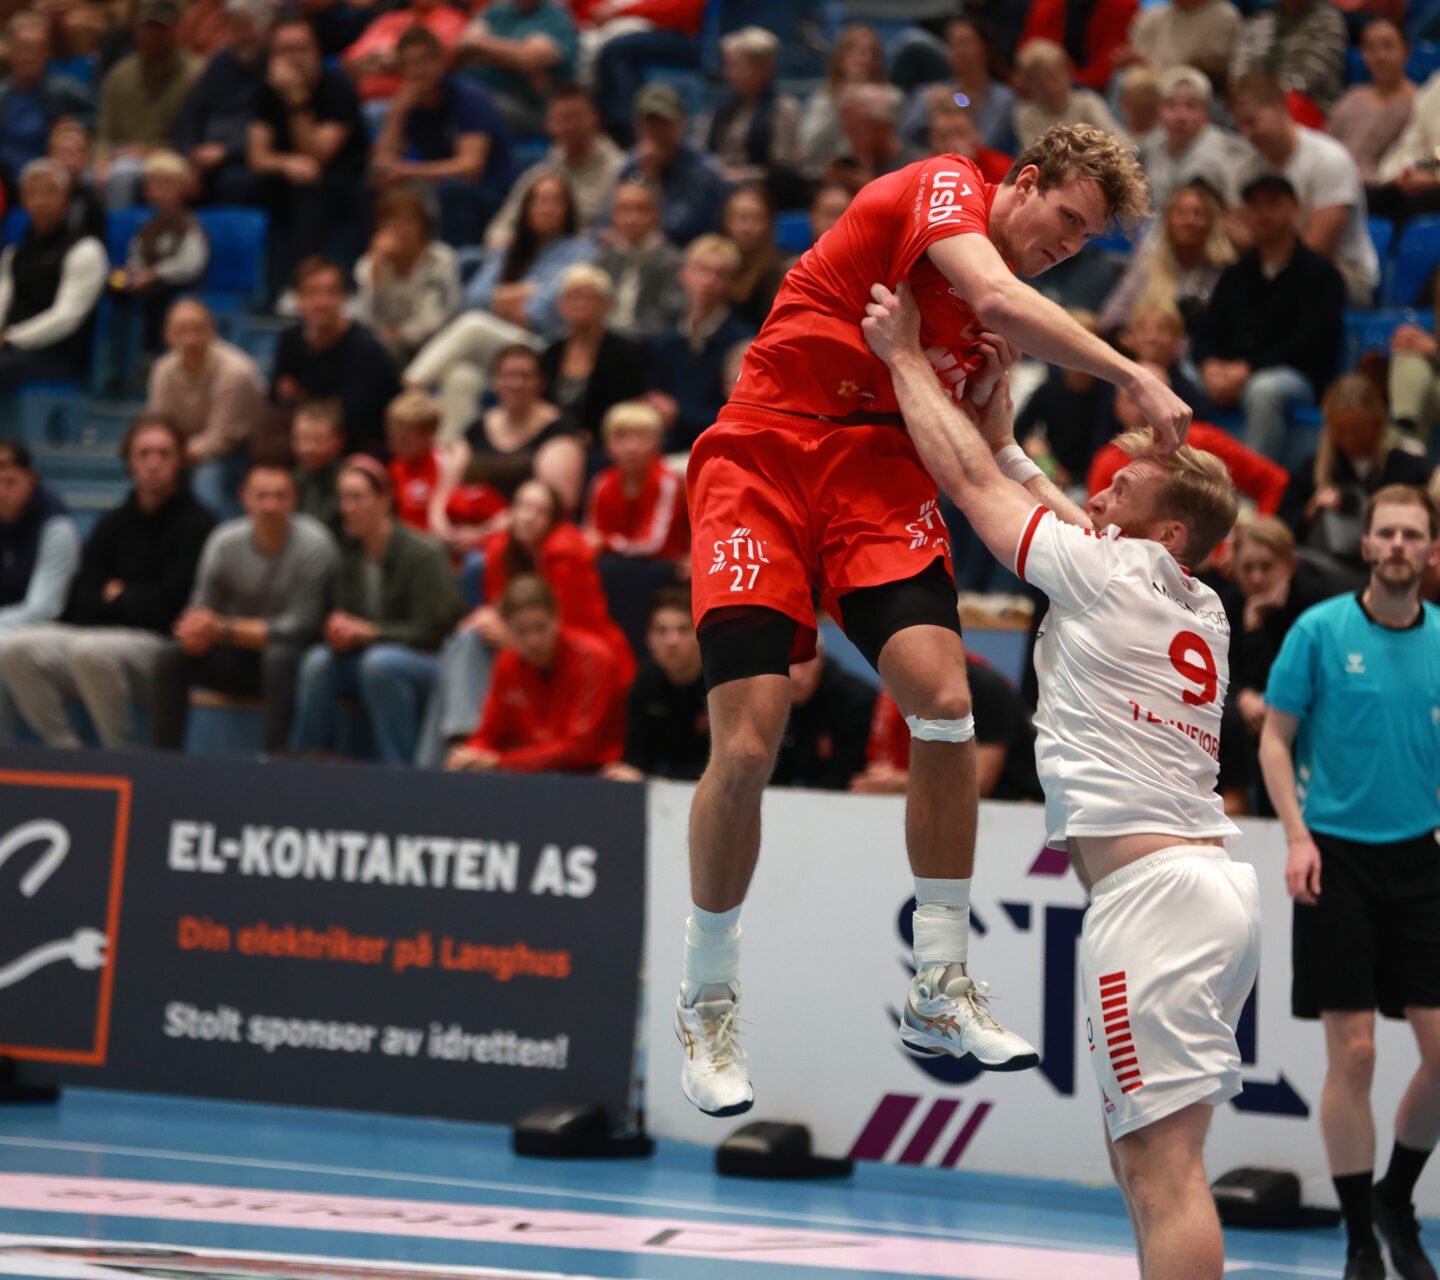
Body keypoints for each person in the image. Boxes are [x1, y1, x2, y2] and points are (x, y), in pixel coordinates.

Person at [674, 123, 1186, 1119]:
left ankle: (940, 985)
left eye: (1085, 243)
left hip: (877, 480)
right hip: (764, 456)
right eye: (1065, 221)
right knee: (746, 744)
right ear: (1023, 182)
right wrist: (1132, 374)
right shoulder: (941, 187)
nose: (1066, 248)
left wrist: (995, 423)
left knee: (949, 704)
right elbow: (996, 291)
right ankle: (709, 997)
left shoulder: (985, 335)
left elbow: (977, 449)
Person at [863, 278, 1251, 1280]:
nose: (1099, 495)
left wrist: (905, 360)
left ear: (1165, 534)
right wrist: (1004, 434)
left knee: (1162, 1170)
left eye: (1123, 490)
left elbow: (975, 492)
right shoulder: (1195, 599)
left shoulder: (1112, 574)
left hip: (1152, 899)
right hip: (1195, 887)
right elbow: (1064, 518)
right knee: (1147, 1162)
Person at [1258, 484, 1440, 1280]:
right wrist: (1297, 836)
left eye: (1412, 535)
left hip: (1422, 860)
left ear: (1431, 551)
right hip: (1336, 858)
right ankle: (1361, 1241)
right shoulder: (1319, 631)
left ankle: (1395, 1198)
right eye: (1386, 533)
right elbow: (1275, 740)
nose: (1398, 545)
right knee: (1356, 1053)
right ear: (1365, 546)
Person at [0, 416, 216, 750]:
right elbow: (82, 599)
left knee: (92, 651)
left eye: (164, 454)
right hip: (100, 635)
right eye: (144, 454)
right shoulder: (113, 522)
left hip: (159, 648)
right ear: (130, 461)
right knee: (14, 649)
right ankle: (64, 750)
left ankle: (121, 756)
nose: (153, 463)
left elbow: (172, 609)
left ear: (180, 461)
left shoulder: (198, 525)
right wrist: (128, 600)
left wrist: (117, 597)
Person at [289, 454, 464, 764]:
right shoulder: (347, 554)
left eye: (357, 498)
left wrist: (372, 633)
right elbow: (345, 615)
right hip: (368, 653)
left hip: (427, 661)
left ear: (384, 500)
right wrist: (340, 631)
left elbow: (436, 629)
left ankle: (398, 772)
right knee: (317, 662)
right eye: (342, 498)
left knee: (380, 664)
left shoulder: (422, 553)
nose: (347, 508)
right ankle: (306, 763)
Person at [152, 462, 337, 753]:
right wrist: (196, 631)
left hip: (293, 661)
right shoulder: (224, 541)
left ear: (294, 499)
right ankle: (164, 759)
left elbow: (303, 624)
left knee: (279, 655)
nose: (271, 505)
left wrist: (223, 629)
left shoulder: (315, 544)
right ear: (244, 497)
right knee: (171, 655)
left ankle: (274, 760)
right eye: (261, 496)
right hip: (237, 658)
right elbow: (200, 610)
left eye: (280, 496)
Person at [405, 172, 592, 441]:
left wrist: (502, 299)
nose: (546, 208)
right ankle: (455, 453)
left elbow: (541, 313)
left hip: (542, 347)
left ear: (568, 208)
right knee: (461, 377)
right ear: (526, 208)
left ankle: (409, 387)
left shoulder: (581, 250)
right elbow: (472, 299)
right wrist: (521, 294)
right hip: (495, 345)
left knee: (474, 325)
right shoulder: (509, 250)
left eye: (554, 201)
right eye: (539, 201)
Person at [1193, 173, 1346, 461]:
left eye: (1273, 204)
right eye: (1255, 206)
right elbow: (1206, 333)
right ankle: (1183, 473)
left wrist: (1248, 368)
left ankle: (1254, 482)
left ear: (1294, 209)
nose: (1263, 214)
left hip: (1295, 376)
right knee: (1178, 375)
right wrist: (1209, 365)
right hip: (1232, 371)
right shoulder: (1235, 275)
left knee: (1264, 390)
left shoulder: (1322, 275)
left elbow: (1311, 343)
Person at [445, 574, 629, 775]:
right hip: (531, 770)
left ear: (557, 618)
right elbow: (487, 734)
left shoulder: (593, 659)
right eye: (521, 631)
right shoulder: (507, 664)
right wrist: (472, 754)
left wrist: (500, 761)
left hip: (591, 773)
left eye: (541, 628)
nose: (533, 641)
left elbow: (579, 748)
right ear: (506, 630)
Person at [1231, 72, 1381, 307]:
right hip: (1270, 268)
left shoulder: (1329, 159)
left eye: (1253, 122)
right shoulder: (1246, 171)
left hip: (1342, 271)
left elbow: (1317, 249)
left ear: (1280, 108)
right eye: (1241, 125)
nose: (1247, 133)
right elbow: (1237, 232)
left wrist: (1253, 245)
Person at [247, 14, 367, 292]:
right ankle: (261, 290)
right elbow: (257, 157)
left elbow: (318, 154)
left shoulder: (338, 88)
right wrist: (287, 163)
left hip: (341, 178)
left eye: (301, 49)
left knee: (309, 191)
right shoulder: (266, 91)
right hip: (290, 177)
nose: (295, 58)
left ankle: (300, 287)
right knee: (235, 184)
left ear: (317, 52)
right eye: (285, 51)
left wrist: (296, 102)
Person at [370, 26, 514, 248]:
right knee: (374, 190)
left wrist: (408, 171)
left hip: (492, 193)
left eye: (424, 61)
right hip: (438, 188)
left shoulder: (469, 97)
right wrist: (397, 114)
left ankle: (457, 259)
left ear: (441, 62)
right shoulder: (409, 104)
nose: (418, 71)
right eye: (410, 64)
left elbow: (470, 168)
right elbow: (383, 166)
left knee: (452, 190)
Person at [1277, 374, 1431, 571]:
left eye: (1358, 430)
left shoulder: (1409, 469)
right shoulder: (1310, 470)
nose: (1350, 438)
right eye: (1341, 430)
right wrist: (1311, 510)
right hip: (1327, 570)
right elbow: (1280, 531)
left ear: (1378, 425)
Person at [851, 655, 1043, 802]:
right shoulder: (899, 692)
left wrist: (901, 784)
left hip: (1016, 810)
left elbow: (978, 785)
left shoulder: (987, 689)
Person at [271, 255, 403, 460]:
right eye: (312, 293)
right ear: (298, 299)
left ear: (346, 297)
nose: (322, 302)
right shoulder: (291, 339)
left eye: (331, 292)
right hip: (309, 442)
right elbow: (278, 395)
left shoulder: (365, 348)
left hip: (364, 448)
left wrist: (304, 399)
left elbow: (353, 420)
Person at [147, 297, 266, 520]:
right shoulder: (162, 370)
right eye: (181, 331)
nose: (190, 339)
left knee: (207, 485)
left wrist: (176, 455)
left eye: (198, 329)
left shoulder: (236, 371)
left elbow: (223, 437)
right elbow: (159, 425)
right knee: (149, 474)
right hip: (182, 453)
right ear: (167, 336)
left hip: (235, 453)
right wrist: (166, 455)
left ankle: (217, 535)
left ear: (212, 331)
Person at [0, 159, 107, 391]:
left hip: (59, 355)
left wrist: (10, 338)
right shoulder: (14, 253)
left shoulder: (85, 250)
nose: (41, 201)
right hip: (10, 349)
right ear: (24, 200)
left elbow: (66, 317)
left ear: (66, 198)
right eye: (33, 194)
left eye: (50, 192)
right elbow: (2, 301)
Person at [0, 440, 82, 742]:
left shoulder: (57, 529)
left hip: (58, 630)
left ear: (31, 479)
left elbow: (44, 609)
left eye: (10, 482)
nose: (2, 492)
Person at [645, 234, 755, 453]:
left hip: (720, 450)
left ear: (732, 283)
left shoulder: (744, 342)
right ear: (684, 274)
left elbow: (741, 415)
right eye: (702, 270)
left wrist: (679, 414)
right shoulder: (664, 341)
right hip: (666, 450)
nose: (709, 280)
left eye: (720, 274)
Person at [485, 84, 624, 251]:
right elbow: (500, 227)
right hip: (539, 256)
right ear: (548, 124)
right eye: (561, 119)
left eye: (576, 117)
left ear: (596, 118)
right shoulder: (539, 175)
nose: (569, 126)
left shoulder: (620, 169)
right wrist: (508, 243)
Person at [448, 343, 585, 509]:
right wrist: (442, 521)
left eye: (525, 376)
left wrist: (499, 522)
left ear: (541, 383)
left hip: (528, 522)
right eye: (508, 375)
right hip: (467, 519)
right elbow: (445, 492)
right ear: (495, 382)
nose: (516, 384)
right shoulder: (476, 428)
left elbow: (559, 507)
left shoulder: (560, 431)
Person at [110, 150, 209, 379]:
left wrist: (153, 274)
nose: (159, 191)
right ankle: (119, 360)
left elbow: (189, 264)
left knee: (156, 297)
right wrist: (131, 272)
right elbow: (137, 254)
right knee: (115, 287)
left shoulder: (189, 225)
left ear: (181, 187)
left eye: (166, 184)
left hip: (178, 285)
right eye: (153, 185)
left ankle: (153, 356)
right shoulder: (147, 226)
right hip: (146, 281)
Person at [1098, 178, 1235, 338]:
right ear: (1168, 221)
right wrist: (1132, 340)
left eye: (1198, 214)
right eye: (1180, 213)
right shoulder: (1146, 265)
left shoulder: (1225, 272)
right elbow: (1110, 318)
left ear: (1211, 222)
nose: (1189, 221)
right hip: (1146, 346)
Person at [94, 0, 199, 206]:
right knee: (81, 177)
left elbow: (191, 138)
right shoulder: (119, 75)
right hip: (121, 154)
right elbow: (104, 132)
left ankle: (121, 228)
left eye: (160, 29)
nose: (152, 36)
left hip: (172, 157)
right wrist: (101, 160)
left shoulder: (194, 75)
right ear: (135, 30)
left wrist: (147, 151)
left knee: (123, 174)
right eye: (146, 28)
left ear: (175, 31)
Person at [602, 583, 708, 783]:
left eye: (683, 630)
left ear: (699, 635)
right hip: (662, 785)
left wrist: (653, 778)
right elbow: (635, 758)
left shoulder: (720, 683)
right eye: (661, 630)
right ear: (649, 638)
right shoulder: (645, 682)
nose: (671, 641)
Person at [171, 0, 272, 206]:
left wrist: (227, 151)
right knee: (166, 177)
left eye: (245, 28)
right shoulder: (221, 62)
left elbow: (271, 126)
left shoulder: (273, 68)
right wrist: (191, 152)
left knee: (233, 181)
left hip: (245, 156)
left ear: (265, 29)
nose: (238, 37)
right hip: (205, 153)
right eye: (233, 28)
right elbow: (191, 114)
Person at [353, 187, 461, 367]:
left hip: (434, 345)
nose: (401, 230)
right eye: (392, 223)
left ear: (423, 225)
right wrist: (377, 271)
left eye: (409, 221)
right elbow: (367, 317)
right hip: (384, 347)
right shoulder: (368, 264)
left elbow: (434, 318)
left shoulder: (441, 258)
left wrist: (400, 334)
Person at [614, 83, 730, 247]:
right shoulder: (632, 165)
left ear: (682, 123)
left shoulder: (704, 172)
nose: (656, 133)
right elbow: (604, 222)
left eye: (664, 124)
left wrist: (650, 177)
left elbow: (677, 229)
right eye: (650, 124)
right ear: (637, 127)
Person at [539, 263, 646, 440]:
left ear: (606, 304)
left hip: (606, 441)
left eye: (589, 298)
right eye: (573, 297)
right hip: (553, 440)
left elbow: (629, 407)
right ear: (561, 305)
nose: (580, 304)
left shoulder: (625, 352)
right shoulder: (551, 352)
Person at [698, 26, 802, 193]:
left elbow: (783, 169)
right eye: (727, 65)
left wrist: (742, 175)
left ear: (764, 68)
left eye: (737, 66)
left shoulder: (783, 108)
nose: (729, 74)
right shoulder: (723, 110)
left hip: (764, 194)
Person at [583, 400, 688, 563]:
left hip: (663, 568)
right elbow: (591, 538)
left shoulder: (667, 482)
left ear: (658, 443)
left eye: (642, 437)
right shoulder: (601, 482)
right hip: (614, 566)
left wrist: (608, 542)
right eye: (621, 437)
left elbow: (653, 544)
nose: (631, 447)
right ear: (607, 445)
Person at [457, 0, 577, 138]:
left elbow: (528, 59)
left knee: (478, 106)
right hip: (477, 88)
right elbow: (464, 44)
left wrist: (481, 47)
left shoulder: (555, 18)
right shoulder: (497, 10)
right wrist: (513, 55)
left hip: (527, 106)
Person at [0, 12, 95, 187]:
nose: (29, 57)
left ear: (47, 54)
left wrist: (72, 123)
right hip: (5, 180)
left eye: (37, 50)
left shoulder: (62, 88)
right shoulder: (3, 95)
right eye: (23, 48)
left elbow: (100, 114)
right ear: (11, 50)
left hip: (52, 180)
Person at [900, 15, 1015, 155]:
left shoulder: (1003, 98)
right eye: (952, 44)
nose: (958, 51)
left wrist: (966, 116)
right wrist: (930, 117)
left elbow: (986, 142)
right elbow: (904, 142)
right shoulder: (927, 93)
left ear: (986, 48)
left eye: (965, 43)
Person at [770, 644, 876, 791]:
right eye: (786, 664)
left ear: (820, 659)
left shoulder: (857, 700)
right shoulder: (769, 701)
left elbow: (856, 775)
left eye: (803, 663)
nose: (795, 675)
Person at [1327, 19, 1415, 189]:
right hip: (1335, 180)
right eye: (1371, 48)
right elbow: (1328, 145)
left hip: (1382, 187)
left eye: (1388, 46)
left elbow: (1409, 158)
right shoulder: (1351, 97)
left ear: (1406, 51)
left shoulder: (1419, 102)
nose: (1380, 56)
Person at [591, 180, 684, 338]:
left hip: (646, 342)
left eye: (641, 209)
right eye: (623, 210)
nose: (632, 219)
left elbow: (669, 316)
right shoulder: (604, 257)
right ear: (613, 215)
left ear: (656, 215)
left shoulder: (673, 262)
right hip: (603, 340)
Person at [1140, 66, 1240, 211]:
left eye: (1191, 106)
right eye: (1170, 105)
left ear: (1206, 113)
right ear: (1158, 111)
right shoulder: (1154, 143)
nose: (1180, 116)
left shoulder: (1213, 157)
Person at [1228, 0, 1347, 115]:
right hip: (1255, 107)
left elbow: (1308, 81)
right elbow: (1237, 74)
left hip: (1310, 110)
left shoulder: (1328, 22)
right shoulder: (1260, 20)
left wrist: (1265, 99)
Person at [801, 24, 890, 175]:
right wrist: (840, 104)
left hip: (878, 172)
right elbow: (809, 145)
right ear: (841, 58)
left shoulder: (890, 97)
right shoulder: (823, 99)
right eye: (858, 52)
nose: (865, 59)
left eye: (872, 53)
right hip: (829, 173)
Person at [1011, 40, 1129, 152]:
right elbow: (1036, 155)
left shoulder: (1088, 103)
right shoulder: (1025, 116)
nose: (1049, 88)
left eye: (1054, 78)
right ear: (1027, 85)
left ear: (1068, 73)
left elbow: (1120, 142)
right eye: (1039, 84)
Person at [342, 0, 467, 105]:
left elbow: (436, 58)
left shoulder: (450, 18)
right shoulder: (391, 18)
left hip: (417, 101)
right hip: (364, 98)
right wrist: (383, 61)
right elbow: (350, 60)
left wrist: (389, 61)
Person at [1019, 0, 1138, 92]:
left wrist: (1064, 82)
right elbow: (1029, 53)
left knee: (1122, 80)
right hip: (1049, 87)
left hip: (1101, 90)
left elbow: (1111, 64)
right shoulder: (1045, 8)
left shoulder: (1123, 6)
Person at [826, 83, 923, 196]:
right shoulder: (847, 164)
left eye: (859, 131)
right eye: (848, 131)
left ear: (885, 127)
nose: (853, 140)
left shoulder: (917, 167)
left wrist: (870, 188)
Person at [385, 387, 453, 534]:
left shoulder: (447, 466)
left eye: (404, 439)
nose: (393, 446)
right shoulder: (395, 467)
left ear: (427, 435)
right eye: (393, 437)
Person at [1124, 0, 1242, 84]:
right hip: (1147, 90)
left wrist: (1152, 71)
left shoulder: (1225, 17)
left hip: (1195, 94)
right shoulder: (1150, 16)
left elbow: (1211, 71)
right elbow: (1135, 63)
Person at [721, 185, 787, 330]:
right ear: (727, 221)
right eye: (741, 218)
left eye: (756, 219)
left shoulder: (780, 269)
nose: (747, 227)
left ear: (769, 223)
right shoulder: (715, 263)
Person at [925, 96, 1012, 182]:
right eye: (945, 137)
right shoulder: (923, 173)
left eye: (960, 134)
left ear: (976, 133)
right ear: (932, 140)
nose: (954, 145)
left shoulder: (1002, 168)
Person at [291, 399, 346, 534]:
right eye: (302, 438)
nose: (308, 448)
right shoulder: (290, 478)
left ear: (339, 441)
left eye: (318, 440)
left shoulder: (347, 482)